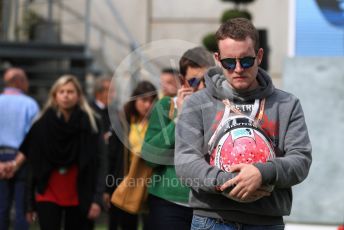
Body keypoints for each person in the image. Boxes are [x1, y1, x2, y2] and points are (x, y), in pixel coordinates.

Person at [175, 18, 312, 230]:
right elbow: (185, 162)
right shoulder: (197, 103)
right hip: (212, 219)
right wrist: (228, 182)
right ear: (218, 59)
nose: (238, 69)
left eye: (246, 61)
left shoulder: (287, 104)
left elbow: (301, 160)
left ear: (259, 56)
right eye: (230, 62)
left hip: (266, 221)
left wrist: (261, 173)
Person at [16, 75, 106, 230]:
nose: (65, 95)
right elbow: (33, 165)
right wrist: (29, 204)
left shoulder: (91, 124)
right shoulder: (41, 125)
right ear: (55, 96)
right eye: (61, 91)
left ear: (78, 96)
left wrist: (97, 199)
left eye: (70, 91)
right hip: (48, 192)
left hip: (80, 193)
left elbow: (101, 162)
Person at [141, 47, 215, 230]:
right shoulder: (167, 106)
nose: (202, 87)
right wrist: (180, 118)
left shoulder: (223, 108)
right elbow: (149, 156)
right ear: (182, 81)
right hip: (168, 203)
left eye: (207, 80)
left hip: (210, 205)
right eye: (194, 81)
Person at [106, 80, 157, 230]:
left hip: (150, 182)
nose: (147, 105)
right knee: (125, 224)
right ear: (135, 100)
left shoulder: (158, 122)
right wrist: (108, 188)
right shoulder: (123, 122)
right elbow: (112, 156)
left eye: (151, 100)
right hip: (125, 180)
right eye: (144, 100)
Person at [0, 68, 39, 230]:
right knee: (22, 208)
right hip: (22, 159)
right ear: (20, 82)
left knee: (1, 208)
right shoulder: (30, 104)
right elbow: (34, 139)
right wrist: (15, 164)